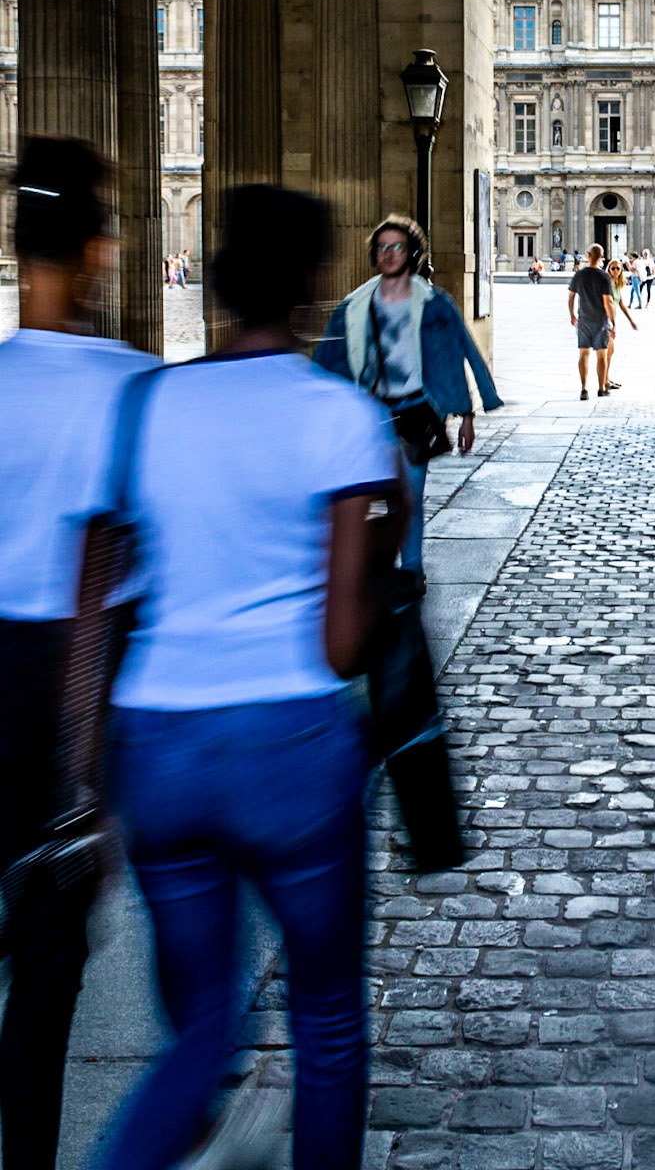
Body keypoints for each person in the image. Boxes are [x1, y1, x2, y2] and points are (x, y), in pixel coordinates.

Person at [96, 184, 406, 1170]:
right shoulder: (340, 417)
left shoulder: (146, 402)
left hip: (160, 739)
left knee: (199, 1033)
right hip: (289, 745)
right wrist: (385, 542)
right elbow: (344, 645)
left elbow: (107, 588)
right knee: (326, 1021)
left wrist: (86, 779)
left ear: (222, 279)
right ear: (313, 282)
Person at [0, 138, 159, 1170]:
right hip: (69, 687)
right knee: (47, 973)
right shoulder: (135, 388)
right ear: (98, 251)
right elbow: (120, 576)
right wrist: (88, 780)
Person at [315, 215, 502, 578]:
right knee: (370, 494)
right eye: (382, 247)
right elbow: (328, 360)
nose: (388, 254)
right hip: (371, 413)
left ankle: (412, 569)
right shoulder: (355, 306)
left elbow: (460, 353)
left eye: (396, 247)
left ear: (413, 253)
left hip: (416, 410)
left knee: (410, 496)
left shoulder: (434, 303)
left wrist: (467, 415)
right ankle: (375, 564)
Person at [569, 245, 615, 399]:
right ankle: (601, 388)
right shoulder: (604, 276)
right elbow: (608, 301)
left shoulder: (579, 275)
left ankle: (584, 388)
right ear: (602, 257)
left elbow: (571, 297)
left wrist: (572, 315)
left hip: (583, 319)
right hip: (600, 321)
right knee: (601, 355)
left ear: (588, 255)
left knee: (583, 353)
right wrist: (613, 321)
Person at [604, 256, 639, 388]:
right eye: (612, 268)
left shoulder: (616, 284)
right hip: (605, 321)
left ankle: (606, 379)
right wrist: (612, 324)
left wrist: (631, 321)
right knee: (607, 352)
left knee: (609, 352)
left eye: (618, 268)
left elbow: (621, 304)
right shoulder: (607, 283)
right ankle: (604, 381)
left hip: (611, 321)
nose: (615, 270)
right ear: (609, 269)